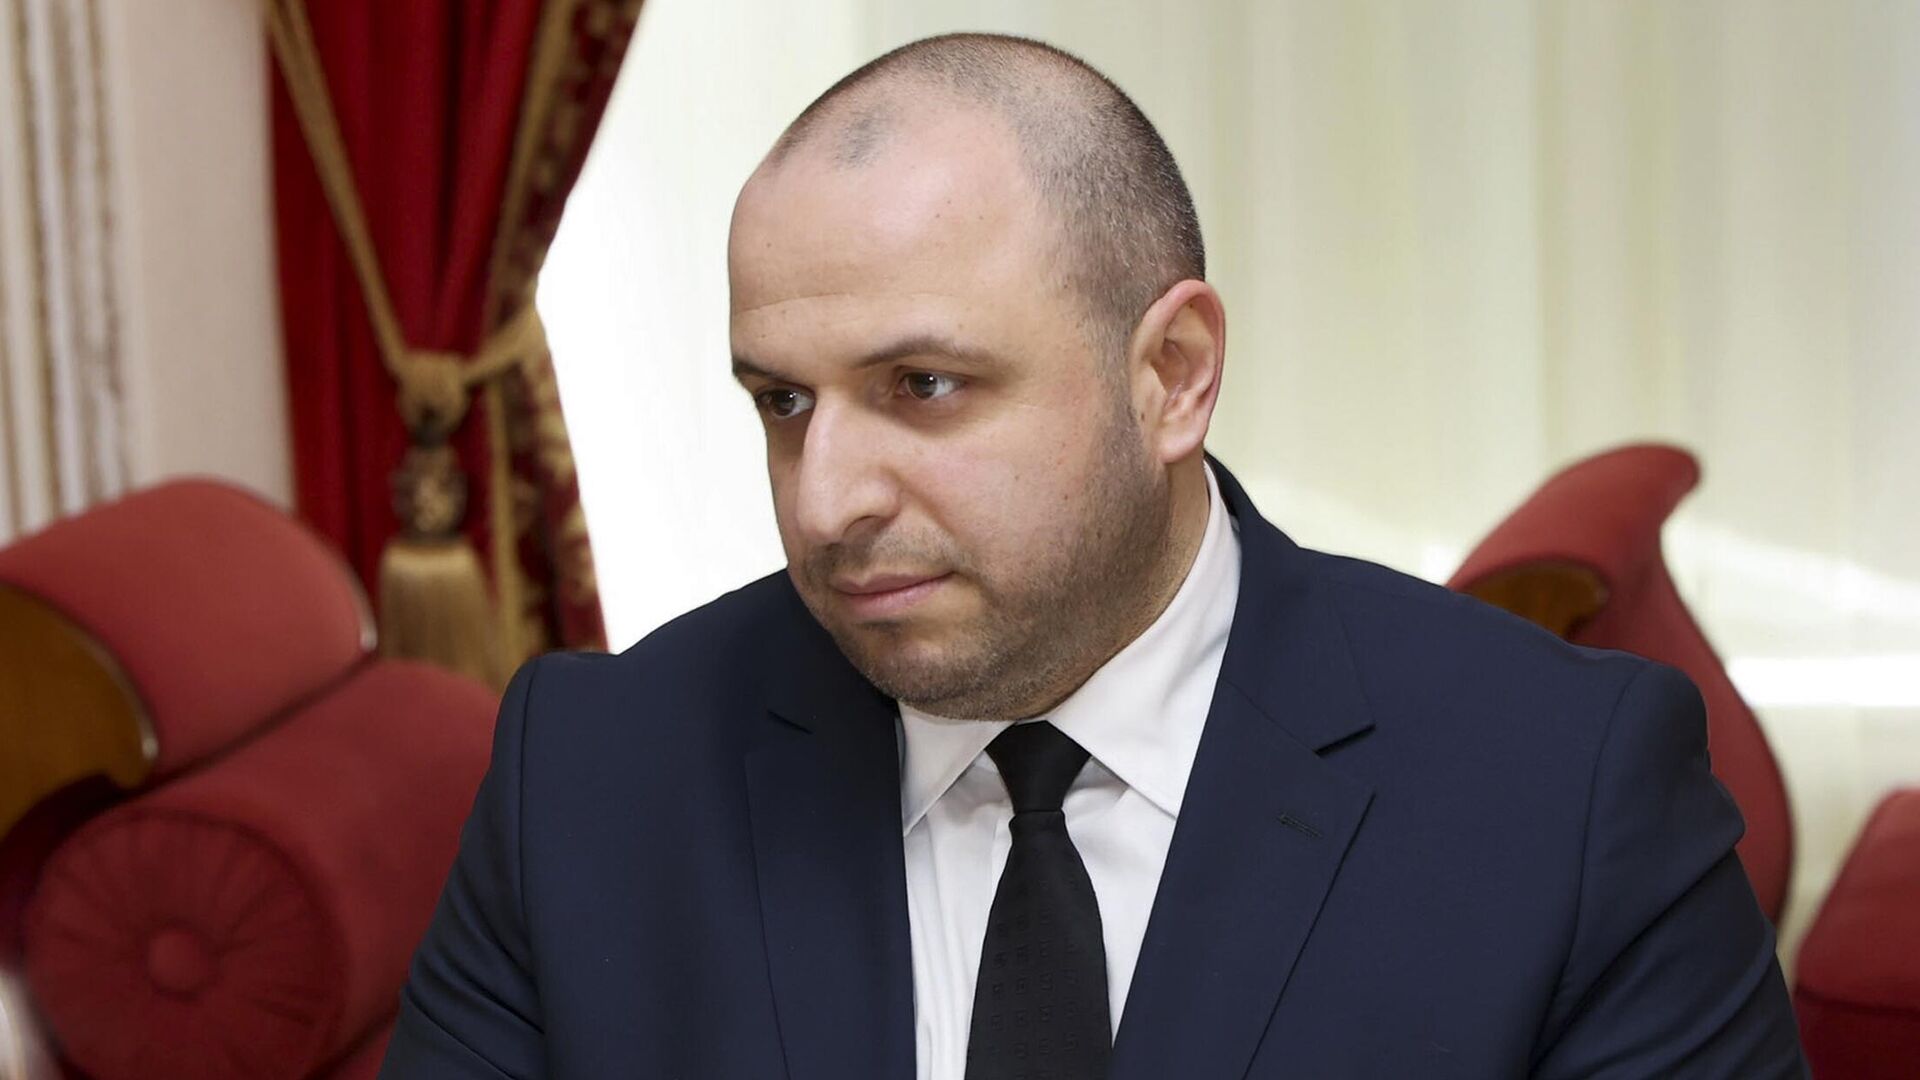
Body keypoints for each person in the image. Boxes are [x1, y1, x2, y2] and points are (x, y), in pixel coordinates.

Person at [380, 32, 1806, 1080]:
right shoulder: (589, 780)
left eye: (924, 386)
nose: (824, 503)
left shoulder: (1565, 796)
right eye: (784, 402)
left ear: (1173, 374)